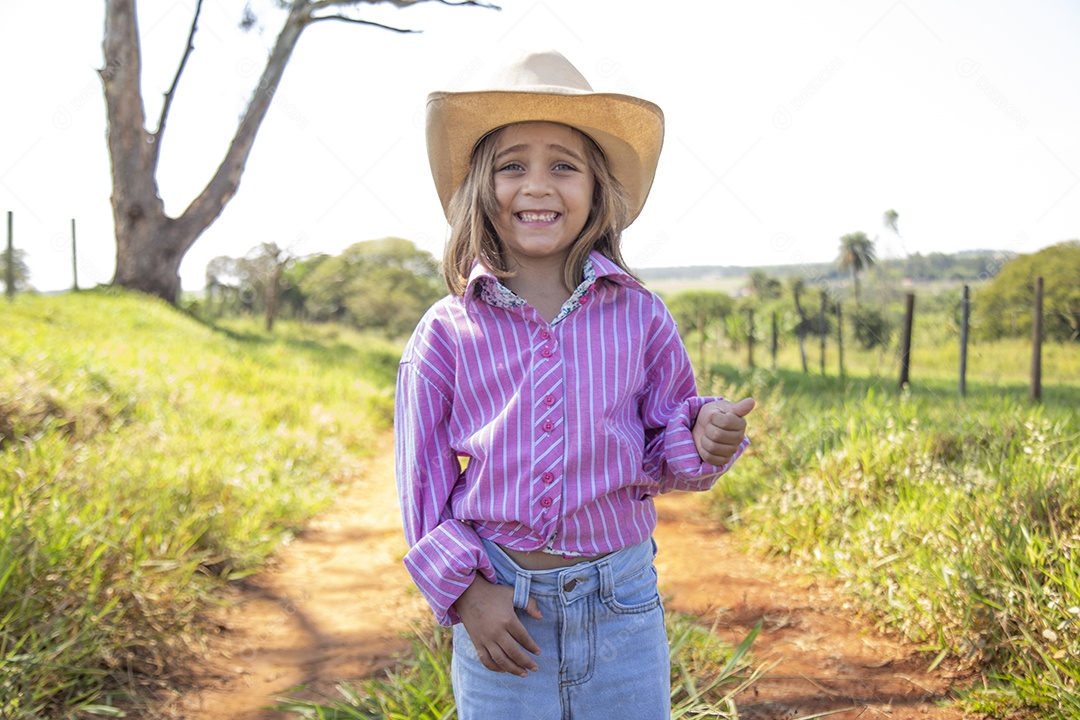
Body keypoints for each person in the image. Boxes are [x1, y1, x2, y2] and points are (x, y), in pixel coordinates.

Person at [395, 49, 754, 719]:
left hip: (622, 608)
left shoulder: (641, 316)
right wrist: (467, 593)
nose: (537, 185)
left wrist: (702, 435)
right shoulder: (446, 332)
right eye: (512, 166)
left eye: (564, 165)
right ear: (480, 186)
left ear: (596, 190)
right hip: (502, 609)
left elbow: (660, 448)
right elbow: (420, 484)